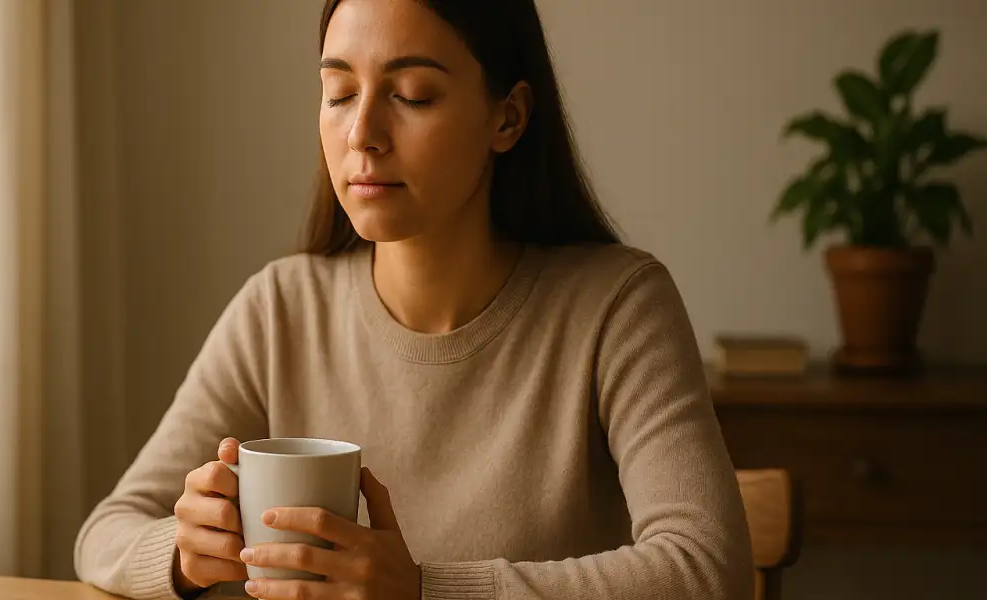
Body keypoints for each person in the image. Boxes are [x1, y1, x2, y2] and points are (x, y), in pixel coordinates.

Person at [73, 0, 754, 598]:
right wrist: (187, 556)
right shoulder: (279, 309)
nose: (362, 134)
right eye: (339, 93)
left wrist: (426, 593)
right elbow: (106, 533)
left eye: (413, 95)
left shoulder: (618, 307)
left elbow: (704, 570)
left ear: (508, 118)